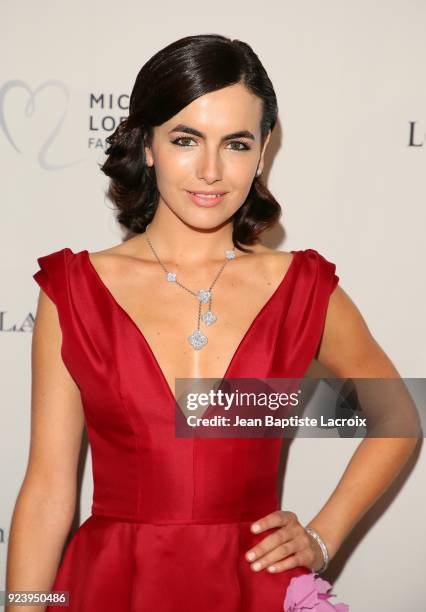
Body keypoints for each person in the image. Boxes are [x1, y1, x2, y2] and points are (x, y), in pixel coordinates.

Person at [6, 34, 418, 612]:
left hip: (252, 585)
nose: (209, 170)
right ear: (147, 145)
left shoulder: (301, 289)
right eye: (185, 139)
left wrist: (323, 535)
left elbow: (398, 415)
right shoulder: (74, 292)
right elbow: (49, 488)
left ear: (263, 149)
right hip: (112, 585)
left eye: (236, 143)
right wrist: (22, 605)